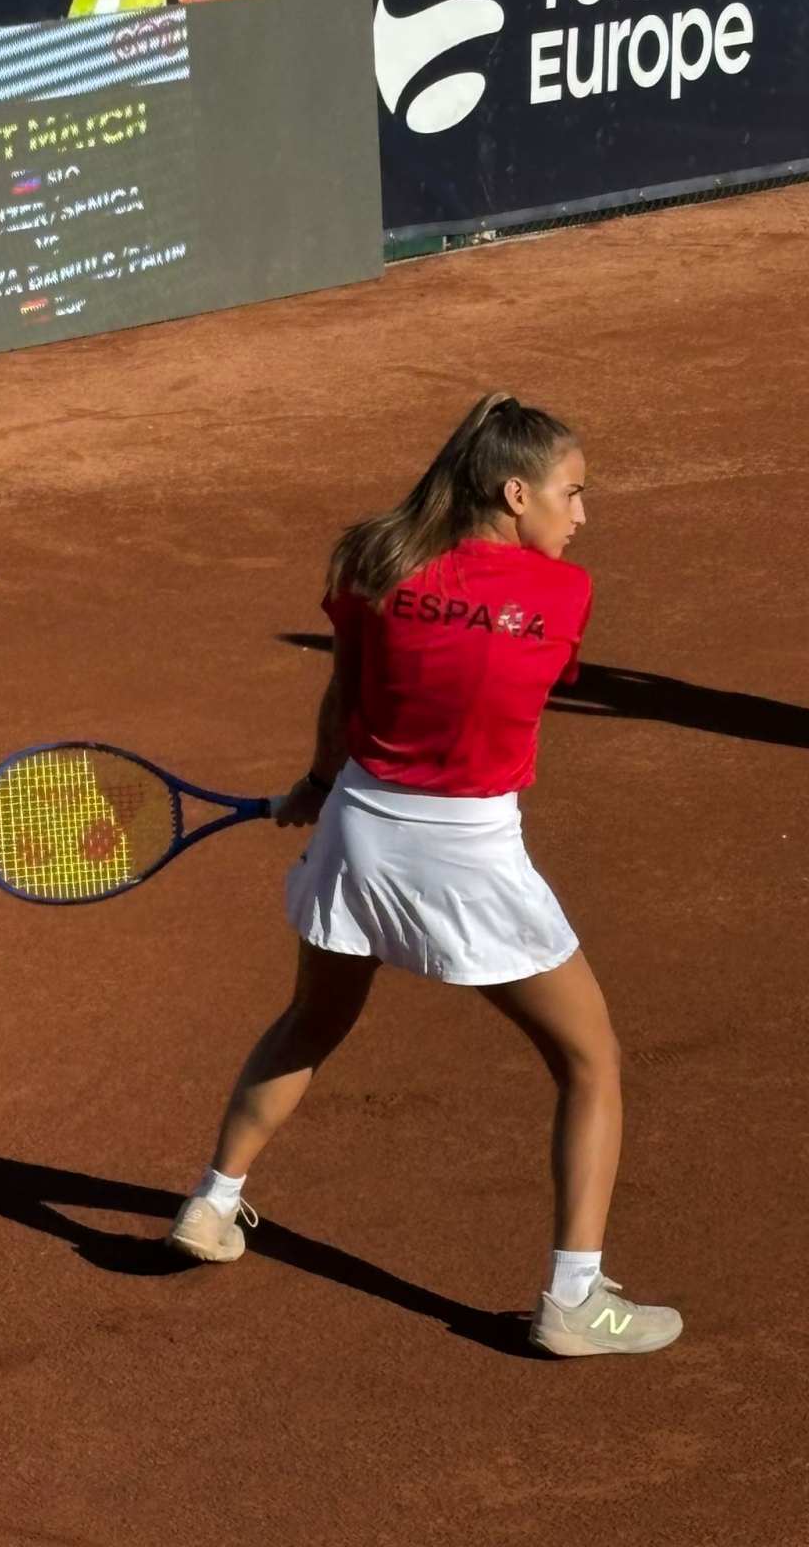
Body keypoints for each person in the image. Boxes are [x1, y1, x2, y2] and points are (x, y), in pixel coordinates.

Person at [166, 392, 682, 1357]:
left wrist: (318, 785)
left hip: (357, 829)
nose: (582, 515)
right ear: (513, 491)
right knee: (590, 1061)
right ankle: (575, 1299)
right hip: (468, 852)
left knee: (313, 1020)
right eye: (572, 494)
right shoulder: (563, 597)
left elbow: (348, 693)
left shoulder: (374, 560)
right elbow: (496, 687)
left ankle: (213, 1202)